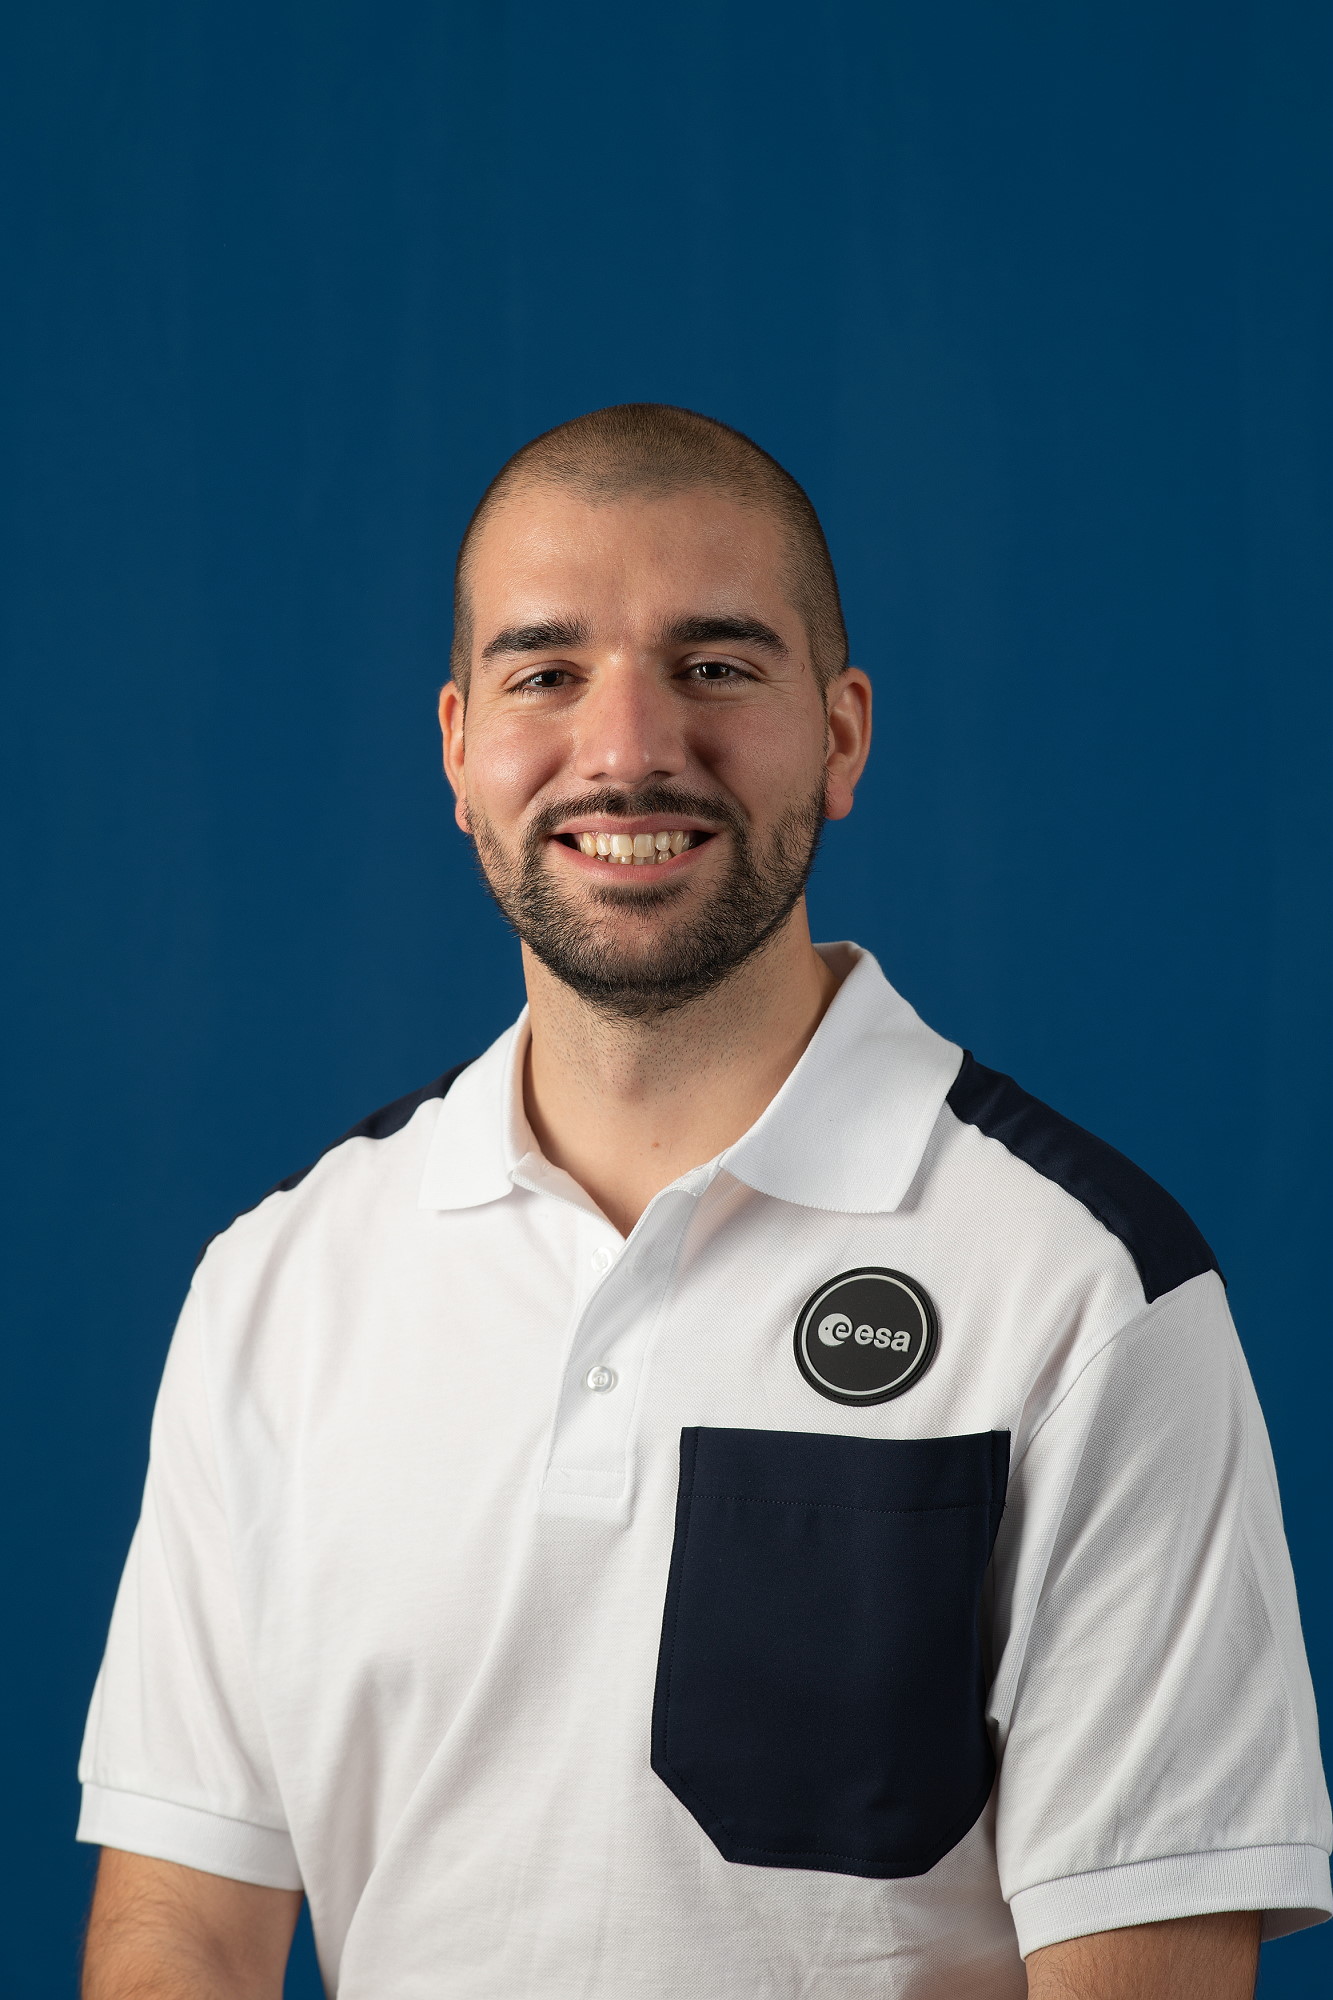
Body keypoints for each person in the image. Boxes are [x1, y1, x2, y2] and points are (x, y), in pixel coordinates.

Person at [78, 405, 1330, 1999]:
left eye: (716, 666)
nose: (626, 748)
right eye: (545, 674)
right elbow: (182, 1926)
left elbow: (1145, 1968)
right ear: (458, 749)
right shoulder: (282, 1281)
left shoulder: (1081, 1289)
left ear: (841, 736)